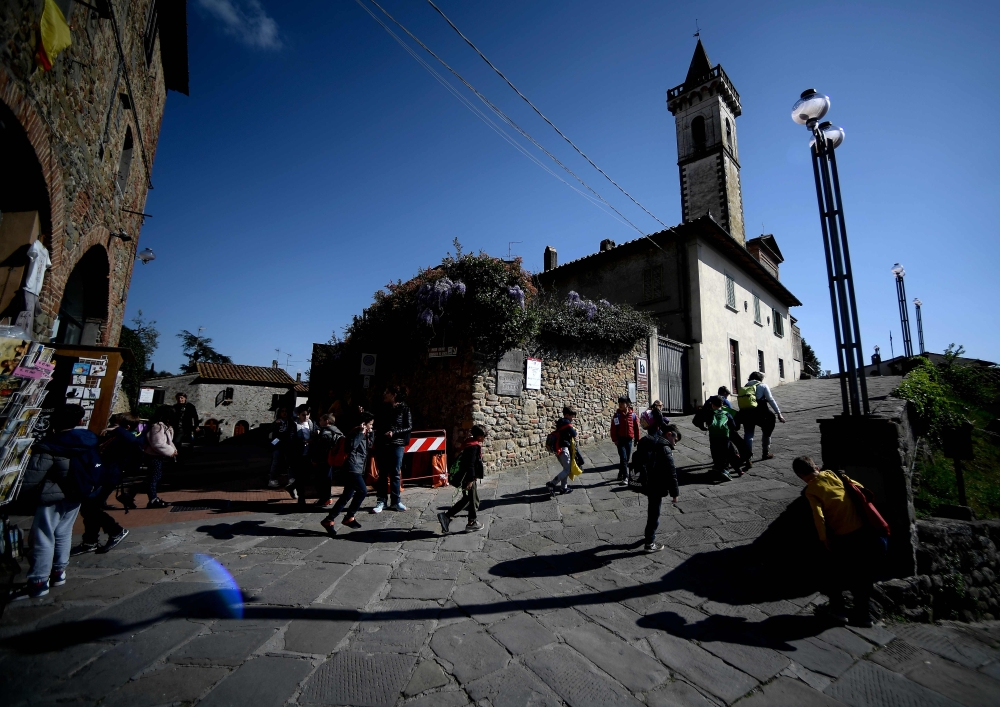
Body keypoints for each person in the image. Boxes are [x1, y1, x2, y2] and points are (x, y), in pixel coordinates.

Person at [793, 456, 887, 628]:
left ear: (800, 475)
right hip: (863, 530)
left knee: (832, 573)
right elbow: (859, 487)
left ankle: (838, 610)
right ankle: (864, 614)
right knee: (862, 573)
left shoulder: (812, 490)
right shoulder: (832, 475)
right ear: (815, 466)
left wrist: (824, 538)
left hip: (844, 536)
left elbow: (818, 517)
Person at [16, 404, 97, 599]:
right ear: (80, 421)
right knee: (63, 532)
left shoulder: (50, 444)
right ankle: (59, 571)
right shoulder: (87, 440)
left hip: (51, 495)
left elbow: (32, 477)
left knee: (43, 534)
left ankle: (38, 580)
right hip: (77, 492)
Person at [71, 414, 141, 555]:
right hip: (100, 475)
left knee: (91, 508)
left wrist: (116, 430)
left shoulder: (126, 437)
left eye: (118, 424)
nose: (113, 426)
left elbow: (134, 442)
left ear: (126, 427)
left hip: (109, 477)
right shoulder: (115, 436)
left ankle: (116, 530)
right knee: (89, 508)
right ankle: (90, 541)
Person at [634, 410, 681, 552]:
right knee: (654, 514)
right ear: (668, 434)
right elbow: (671, 471)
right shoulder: (664, 446)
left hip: (646, 482)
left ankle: (649, 535)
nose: (675, 443)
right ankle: (649, 543)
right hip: (657, 483)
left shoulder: (645, 440)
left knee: (652, 511)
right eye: (675, 440)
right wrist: (675, 492)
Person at [321, 413, 374, 535]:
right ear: (363, 424)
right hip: (351, 467)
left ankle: (329, 520)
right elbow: (350, 447)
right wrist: (361, 433)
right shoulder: (355, 432)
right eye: (370, 424)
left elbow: (370, 445)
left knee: (346, 495)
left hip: (358, 467)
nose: (371, 426)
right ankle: (349, 517)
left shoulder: (365, 433)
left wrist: (370, 432)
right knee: (362, 491)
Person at [437, 425, 487, 534]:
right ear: (479, 436)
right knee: (471, 499)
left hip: (465, 476)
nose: (485, 438)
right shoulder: (473, 447)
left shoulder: (468, 442)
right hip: (468, 478)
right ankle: (471, 522)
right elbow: (471, 465)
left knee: (467, 499)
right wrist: (470, 480)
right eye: (484, 436)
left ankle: (446, 516)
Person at [372, 386, 411, 513]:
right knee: (382, 473)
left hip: (397, 443)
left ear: (394, 395)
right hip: (383, 443)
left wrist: (394, 432)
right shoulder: (382, 408)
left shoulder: (404, 408)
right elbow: (376, 423)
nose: (384, 394)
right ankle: (381, 501)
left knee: (395, 473)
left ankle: (396, 501)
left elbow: (408, 426)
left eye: (387, 392)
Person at [737, 372, 786, 460]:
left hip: (746, 413)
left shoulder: (744, 387)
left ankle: (748, 457)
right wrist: (779, 413)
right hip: (761, 413)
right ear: (760, 379)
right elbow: (771, 400)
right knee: (767, 432)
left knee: (748, 434)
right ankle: (765, 453)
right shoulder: (763, 386)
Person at [142, 406, 177, 508]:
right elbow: (157, 443)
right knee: (154, 478)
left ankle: (130, 494)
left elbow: (168, 441)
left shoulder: (164, 426)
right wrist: (171, 451)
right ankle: (153, 500)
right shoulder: (157, 427)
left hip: (158, 456)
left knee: (153, 477)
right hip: (154, 456)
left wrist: (173, 450)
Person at [310, 413, 344, 508]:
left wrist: (315, 459)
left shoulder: (325, 433)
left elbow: (321, 449)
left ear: (327, 421)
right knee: (327, 479)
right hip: (331, 459)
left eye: (321, 420)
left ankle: (324, 499)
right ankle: (327, 498)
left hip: (323, 460)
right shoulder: (336, 430)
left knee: (321, 480)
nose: (319, 422)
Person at [286, 405, 317, 502]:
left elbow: (316, 433)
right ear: (298, 414)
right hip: (297, 454)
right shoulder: (293, 424)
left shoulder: (312, 424)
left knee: (306, 476)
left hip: (308, 454)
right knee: (299, 476)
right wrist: (301, 442)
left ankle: (292, 487)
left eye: (308, 415)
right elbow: (289, 440)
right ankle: (301, 497)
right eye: (303, 415)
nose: (306, 417)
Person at [545, 406, 580, 495]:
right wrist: (576, 433)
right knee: (567, 470)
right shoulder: (567, 423)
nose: (573, 418)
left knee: (565, 469)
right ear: (567, 415)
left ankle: (563, 488)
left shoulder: (561, 422)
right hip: (563, 449)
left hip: (558, 449)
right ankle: (552, 484)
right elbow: (574, 434)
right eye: (572, 416)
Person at [707, 396, 742, 483]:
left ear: (712, 405)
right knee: (728, 453)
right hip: (725, 438)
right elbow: (733, 426)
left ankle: (720, 469)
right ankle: (733, 470)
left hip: (713, 438)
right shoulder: (727, 414)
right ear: (722, 404)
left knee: (716, 454)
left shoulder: (710, 413)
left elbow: (706, 423)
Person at [610, 396, 641, 485]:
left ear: (627, 405)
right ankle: (625, 477)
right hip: (620, 440)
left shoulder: (633, 415)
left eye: (622, 403)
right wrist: (615, 439)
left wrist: (637, 439)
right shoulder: (617, 416)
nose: (620, 405)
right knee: (623, 458)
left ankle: (620, 473)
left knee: (626, 459)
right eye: (619, 403)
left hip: (629, 440)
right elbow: (613, 428)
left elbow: (636, 428)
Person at [172, 393, 199, 460]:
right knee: (177, 442)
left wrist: (196, 426)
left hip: (187, 426)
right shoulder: (175, 407)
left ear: (185, 398)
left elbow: (195, 417)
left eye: (181, 398)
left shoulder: (190, 406)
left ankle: (188, 455)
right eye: (178, 398)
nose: (180, 399)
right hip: (177, 427)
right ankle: (178, 455)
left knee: (188, 442)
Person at [267, 407, 290, 489]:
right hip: (278, 445)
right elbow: (271, 433)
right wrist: (274, 444)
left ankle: (288, 480)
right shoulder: (276, 422)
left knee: (287, 463)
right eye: (282, 411)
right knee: (275, 462)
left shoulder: (289, 422)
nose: (284, 413)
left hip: (287, 445)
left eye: (286, 411)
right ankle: (272, 479)